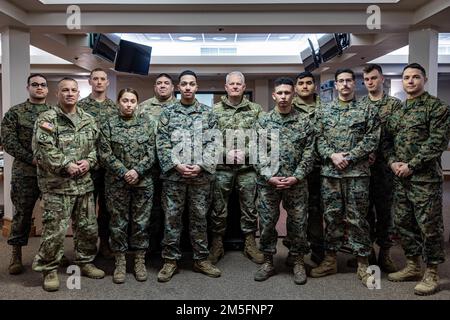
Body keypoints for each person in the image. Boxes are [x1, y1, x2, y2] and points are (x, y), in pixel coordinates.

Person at [31, 77, 105, 292]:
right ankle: (49, 268)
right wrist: (66, 164)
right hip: (57, 185)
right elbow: (43, 150)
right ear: (57, 94)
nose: (70, 93)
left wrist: (89, 162)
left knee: (87, 227)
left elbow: (96, 148)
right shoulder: (47, 119)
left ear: (78, 94)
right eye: (65, 90)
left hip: (84, 184)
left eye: (73, 90)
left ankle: (85, 261)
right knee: (54, 230)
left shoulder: (89, 119)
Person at [384, 63, 450, 296]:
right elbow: (388, 141)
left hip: (424, 180)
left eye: (415, 77)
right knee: (403, 223)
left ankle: (431, 272)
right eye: (406, 77)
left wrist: (412, 165)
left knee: (429, 226)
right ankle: (412, 265)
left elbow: (437, 143)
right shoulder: (399, 111)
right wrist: (393, 162)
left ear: (425, 79)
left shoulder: (437, 108)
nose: (410, 81)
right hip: (400, 178)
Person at [311, 68, 380, 286]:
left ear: (355, 83)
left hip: (356, 174)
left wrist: (348, 157)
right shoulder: (324, 111)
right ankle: (330, 260)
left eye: (349, 80)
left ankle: (362, 264)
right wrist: (331, 155)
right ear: (335, 84)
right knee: (331, 217)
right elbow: (318, 138)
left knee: (358, 219)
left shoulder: (367, 109)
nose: (345, 84)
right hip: (330, 174)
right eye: (341, 81)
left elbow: (372, 140)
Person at [156, 70, 221, 282]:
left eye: (191, 84)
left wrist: (201, 166)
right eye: (183, 84)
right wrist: (176, 165)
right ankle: (170, 261)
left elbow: (215, 143)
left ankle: (201, 259)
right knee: (172, 219)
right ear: (178, 87)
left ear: (197, 87)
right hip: (174, 178)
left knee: (199, 218)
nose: (187, 87)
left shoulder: (208, 113)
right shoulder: (167, 113)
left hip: (200, 178)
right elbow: (162, 143)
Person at [253, 77, 315, 285]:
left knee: (298, 224)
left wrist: (296, 176)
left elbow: (309, 153)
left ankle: (297, 260)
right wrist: (268, 176)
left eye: (287, 93)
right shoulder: (263, 121)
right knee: (268, 223)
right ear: (274, 95)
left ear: (293, 95)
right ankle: (268, 261)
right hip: (268, 183)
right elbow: (257, 152)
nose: (283, 97)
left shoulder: (304, 121)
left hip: (296, 183)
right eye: (279, 93)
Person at [98, 88, 156, 284]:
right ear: (118, 102)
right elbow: (104, 154)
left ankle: (139, 261)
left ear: (137, 103)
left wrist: (137, 171)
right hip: (116, 183)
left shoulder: (147, 124)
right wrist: (124, 172)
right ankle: (120, 262)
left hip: (143, 182)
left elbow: (152, 153)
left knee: (141, 223)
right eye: (125, 100)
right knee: (118, 223)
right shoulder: (109, 124)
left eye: (132, 100)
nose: (128, 104)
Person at [208, 71, 264, 265]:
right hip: (222, 168)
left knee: (249, 208)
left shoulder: (256, 110)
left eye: (238, 84)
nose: (234, 87)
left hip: (247, 169)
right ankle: (217, 244)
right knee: (218, 208)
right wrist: (226, 153)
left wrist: (245, 153)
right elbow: (208, 138)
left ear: (243, 86)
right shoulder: (213, 111)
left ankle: (250, 243)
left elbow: (263, 138)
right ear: (226, 87)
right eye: (231, 84)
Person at [1, 74, 52, 275]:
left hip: (51, 173)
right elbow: (8, 141)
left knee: (52, 215)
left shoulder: (54, 113)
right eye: (35, 84)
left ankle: (52, 251)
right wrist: (31, 158)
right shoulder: (15, 113)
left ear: (47, 90)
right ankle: (16, 254)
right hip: (26, 173)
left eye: (43, 85)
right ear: (28, 87)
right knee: (22, 215)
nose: (39, 88)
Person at [354, 63, 402, 272]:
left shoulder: (395, 105)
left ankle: (385, 253)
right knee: (363, 212)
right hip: (362, 168)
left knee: (385, 212)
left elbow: (399, 137)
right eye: (367, 79)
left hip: (385, 168)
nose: (371, 82)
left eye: (374, 78)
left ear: (382, 79)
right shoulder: (360, 105)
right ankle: (368, 253)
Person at [284, 71, 324, 266]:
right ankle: (295, 250)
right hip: (296, 169)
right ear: (295, 87)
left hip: (320, 167)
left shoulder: (326, 108)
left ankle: (317, 250)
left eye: (309, 83)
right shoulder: (289, 107)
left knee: (316, 210)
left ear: (314, 85)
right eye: (301, 83)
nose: (305, 86)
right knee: (296, 211)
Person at [78, 67, 117, 259]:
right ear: (90, 81)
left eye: (103, 79)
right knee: (86, 210)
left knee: (108, 209)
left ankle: (105, 244)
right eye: (96, 78)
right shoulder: (80, 107)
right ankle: (86, 248)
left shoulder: (115, 107)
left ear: (107, 82)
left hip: (109, 168)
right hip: (88, 168)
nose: (99, 82)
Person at [137, 73, 176, 252]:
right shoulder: (143, 108)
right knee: (150, 207)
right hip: (149, 166)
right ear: (154, 87)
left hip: (173, 167)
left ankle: (173, 244)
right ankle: (150, 245)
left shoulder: (179, 107)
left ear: (172, 87)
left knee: (173, 208)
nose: (162, 86)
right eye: (159, 83)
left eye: (166, 83)